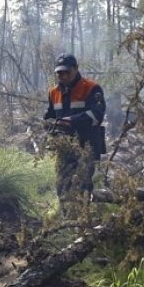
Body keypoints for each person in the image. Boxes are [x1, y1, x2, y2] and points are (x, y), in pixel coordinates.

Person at [43, 53, 106, 207]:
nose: (63, 76)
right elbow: (50, 115)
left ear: (76, 69)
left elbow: (97, 114)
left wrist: (72, 121)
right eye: (59, 73)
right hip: (64, 147)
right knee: (62, 185)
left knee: (83, 185)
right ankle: (66, 219)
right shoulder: (53, 92)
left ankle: (83, 220)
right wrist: (48, 124)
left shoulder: (91, 88)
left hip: (88, 145)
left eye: (67, 72)